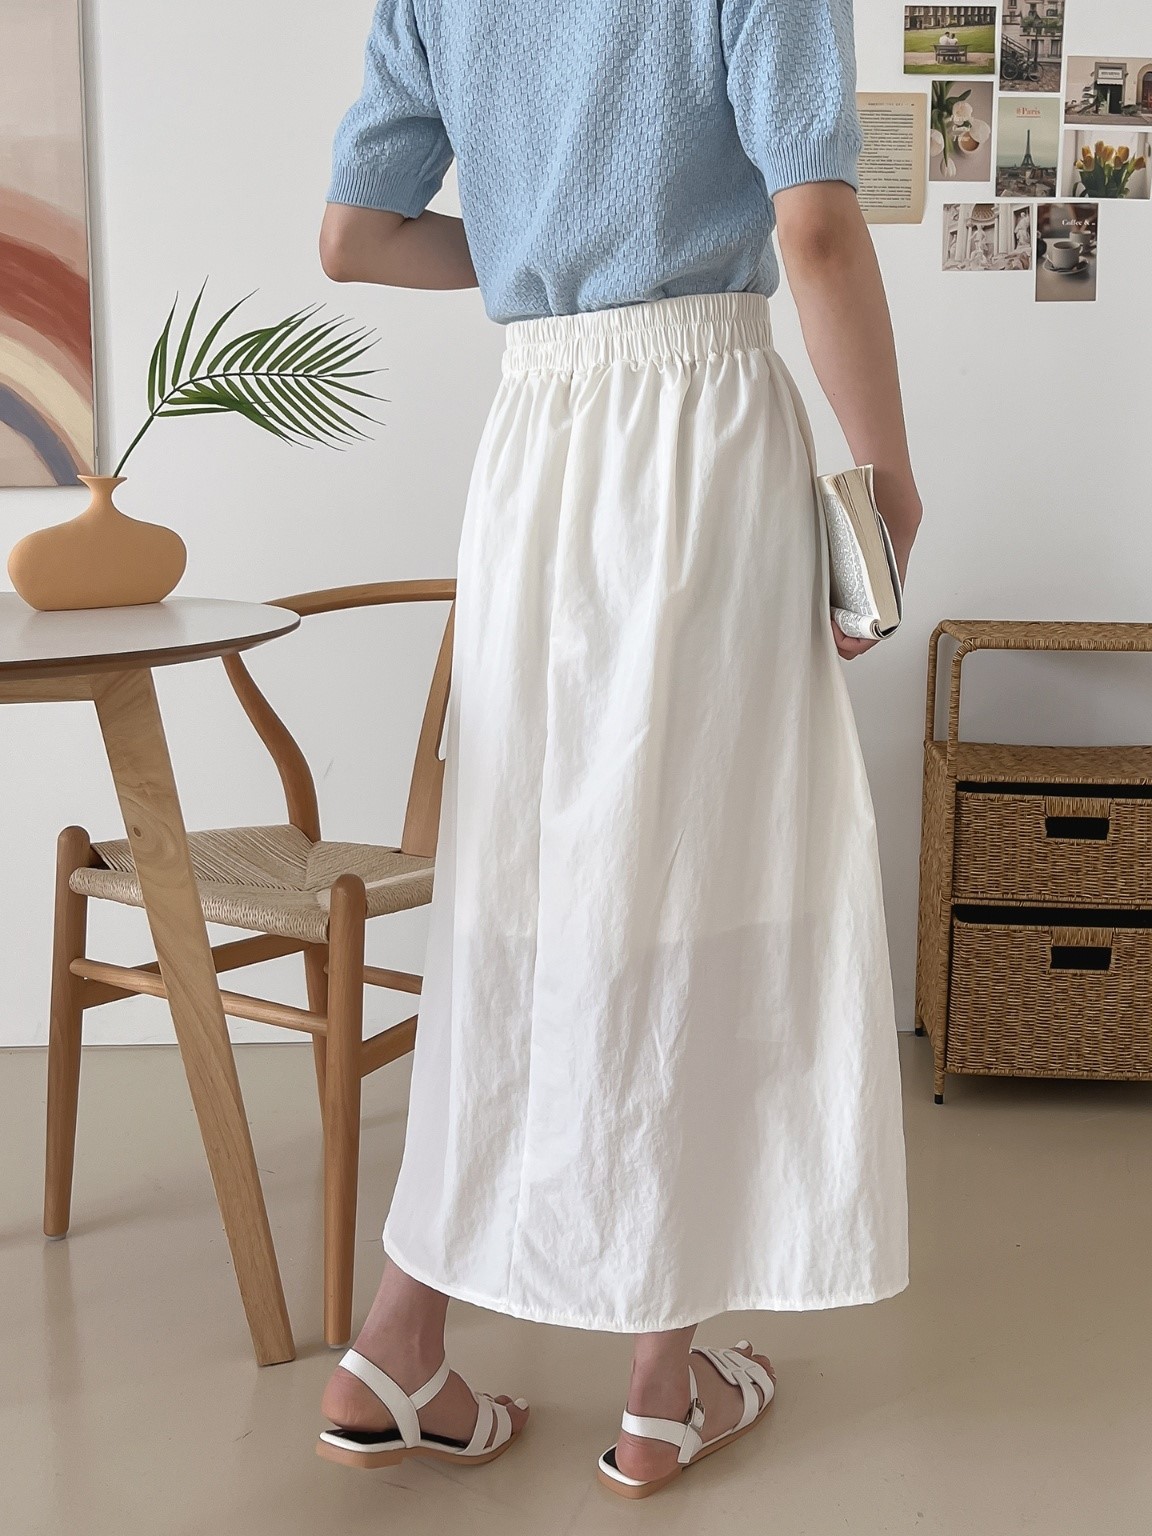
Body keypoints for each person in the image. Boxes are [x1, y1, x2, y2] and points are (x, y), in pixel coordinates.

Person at [316, 0, 918, 1498]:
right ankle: (659, 1391)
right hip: (699, 437)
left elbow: (355, 237)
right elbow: (815, 226)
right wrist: (889, 481)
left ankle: (396, 1345)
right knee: (699, 876)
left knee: (520, 888)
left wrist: (544, 244)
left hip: (533, 450)